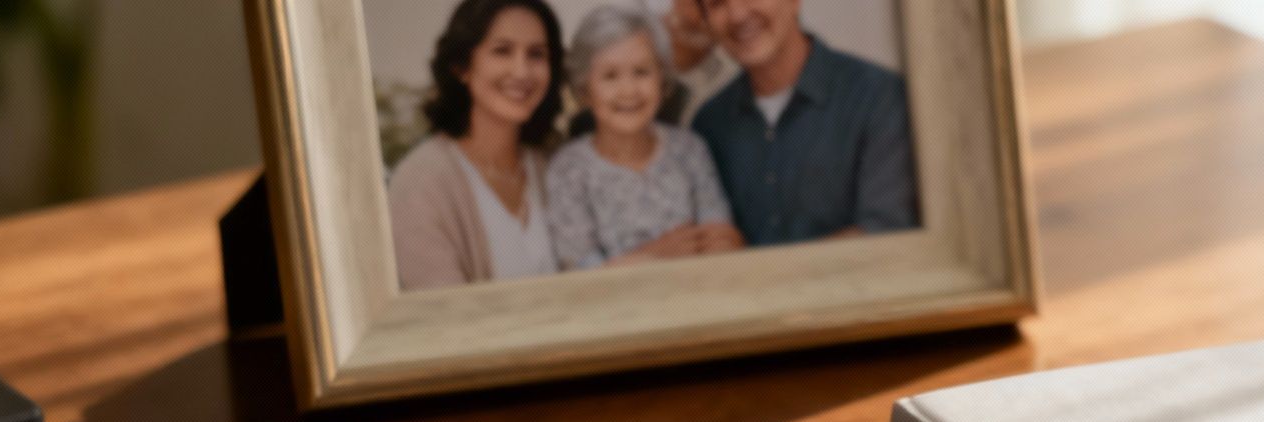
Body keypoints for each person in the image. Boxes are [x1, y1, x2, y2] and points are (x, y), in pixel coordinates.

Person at [689, 0, 919, 246]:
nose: (737, 14)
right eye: (717, 3)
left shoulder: (880, 97)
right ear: (706, 23)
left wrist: (762, 267)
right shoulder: (708, 126)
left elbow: (886, 233)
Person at [546, 7, 742, 270]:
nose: (628, 90)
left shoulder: (690, 149)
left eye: (641, 72)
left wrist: (625, 263)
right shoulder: (568, 170)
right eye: (610, 76)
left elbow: (720, 241)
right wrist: (658, 254)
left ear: (662, 78)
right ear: (585, 89)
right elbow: (583, 275)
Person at [387, 0, 564, 289]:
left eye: (536, 54)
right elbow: (443, 310)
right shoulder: (420, 183)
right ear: (462, 67)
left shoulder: (554, 165)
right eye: (502, 51)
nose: (522, 71)